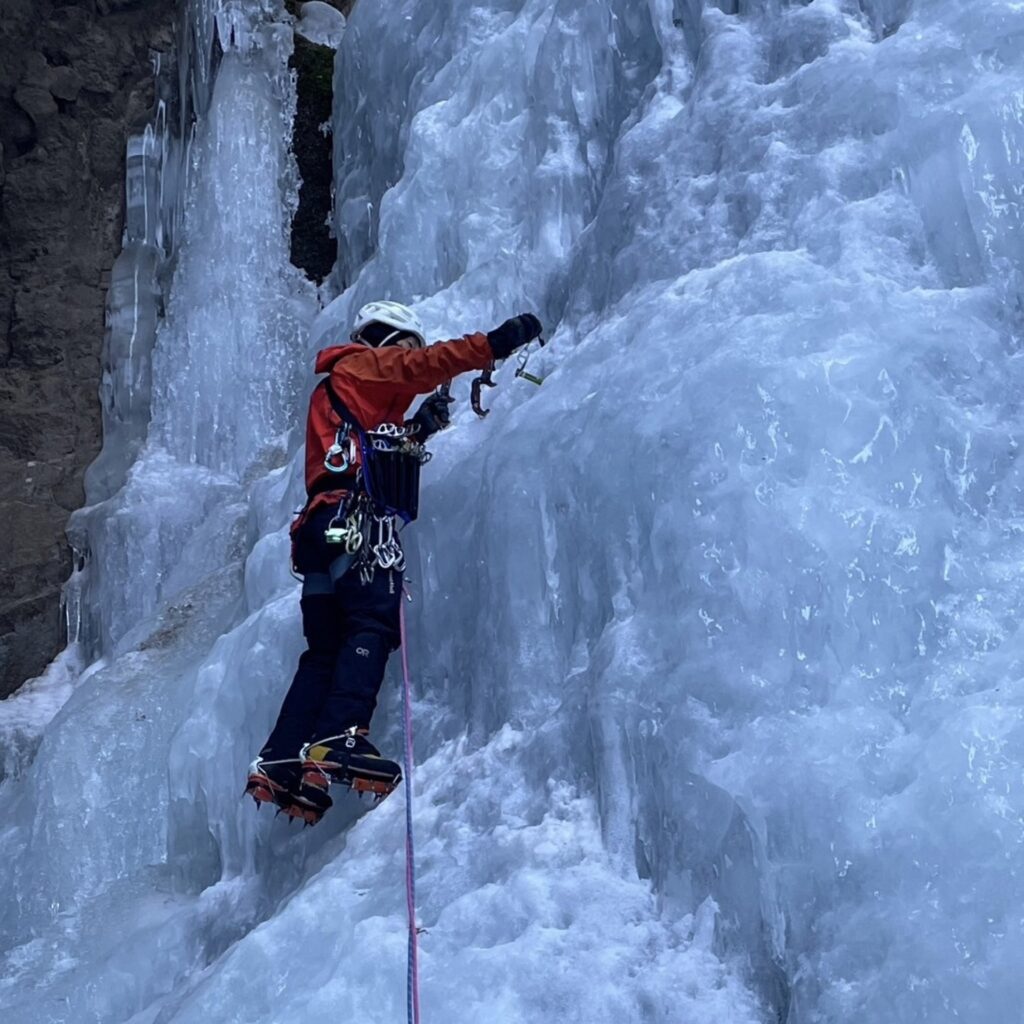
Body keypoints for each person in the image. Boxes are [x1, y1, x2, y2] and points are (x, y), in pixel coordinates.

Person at [246, 300, 543, 824]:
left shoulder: (343, 396)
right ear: (384, 340)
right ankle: (339, 738)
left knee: (323, 651)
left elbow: (376, 446)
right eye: (408, 344)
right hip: (354, 521)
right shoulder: (359, 364)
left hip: (319, 532)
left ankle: (283, 761)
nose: (414, 355)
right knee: (373, 622)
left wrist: (419, 431)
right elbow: (416, 369)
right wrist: (492, 344)